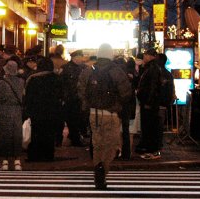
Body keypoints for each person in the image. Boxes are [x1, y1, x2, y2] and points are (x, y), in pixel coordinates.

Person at [78, 43, 132, 190]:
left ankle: (97, 167)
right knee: (111, 145)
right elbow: (126, 93)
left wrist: (87, 105)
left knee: (97, 144)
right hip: (111, 114)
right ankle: (103, 170)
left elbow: (80, 90)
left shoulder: (89, 70)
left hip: (93, 113)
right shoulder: (116, 71)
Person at [24, 57, 64, 161]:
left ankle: (36, 155)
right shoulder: (56, 78)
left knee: (36, 132)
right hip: (52, 110)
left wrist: (28, 110)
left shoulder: (33, 78)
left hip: (37, 110)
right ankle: (48, 154)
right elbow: (61, 95)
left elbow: (28, 96)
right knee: (49, 133)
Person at [0, 60, 26, 171]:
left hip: (4, 110)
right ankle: (17, 161)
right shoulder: (21, 82)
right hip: (17, 110)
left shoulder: (1, 84)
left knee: (4, 135)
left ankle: (5, 162)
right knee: (17, 135)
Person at [136, 48, 162, 159]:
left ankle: (152, 151)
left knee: (150, 127)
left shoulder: (153, 68)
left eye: (146, 55)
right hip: (148, 102)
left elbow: (153, 86)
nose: (144, 57)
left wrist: (148, 101)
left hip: (149, 103)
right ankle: (150, 149)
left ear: (151, 56)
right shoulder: (150, 68)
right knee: (148, 127)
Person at [61, 49, 89, 147]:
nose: (81, 58)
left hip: (80, 98)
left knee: (79, 119)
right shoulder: (65, 68)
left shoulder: (84, 68)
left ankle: (74, 137)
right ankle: (75, 139)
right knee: (72, 119)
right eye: (80, 57)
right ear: (74, 58)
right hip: (70, 99)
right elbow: (62, 84)